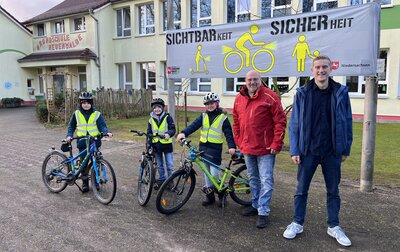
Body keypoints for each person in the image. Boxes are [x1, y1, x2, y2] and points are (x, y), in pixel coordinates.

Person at [283, 55, 353, 247]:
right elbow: (295, 124)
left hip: (332, 151)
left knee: (333, 191)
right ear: (312, 70)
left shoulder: (340, 92)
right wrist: (295, 149)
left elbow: (347, 121)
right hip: (308, 151)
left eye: (324, 67)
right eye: (317, 67)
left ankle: (334, 226)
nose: (321, 70)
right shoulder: (303, 93)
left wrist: (345, 148)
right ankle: (297, 223)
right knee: (301, 190)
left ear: (331, 69)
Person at [233, 70, 287, 228]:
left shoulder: (270, 97)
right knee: (253, 179)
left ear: (260, 80)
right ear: (245, 81)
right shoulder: (239, 98)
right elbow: (236, 121)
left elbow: (280, 122)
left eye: (255, 79)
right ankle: (256, 205)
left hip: (266, 149)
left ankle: (263, 211)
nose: (252, 82)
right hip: (247, 147)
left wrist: (277, 143)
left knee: (266, 180)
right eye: (249, 80)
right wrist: (239, 140)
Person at [176, 92, 236, 207]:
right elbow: (193, 126)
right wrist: (184, 133)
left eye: (212, 103)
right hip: (203, 148)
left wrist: (232, 146)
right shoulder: (203, 116)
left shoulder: (223, 118)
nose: (210, 105)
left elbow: (228, 133)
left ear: (217, 103)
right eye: (207, 104)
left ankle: (222, 195)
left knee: (214, 175)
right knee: (207, 174)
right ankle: (210, 197)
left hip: (215, 150)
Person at [66, 91, 112, 193]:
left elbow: (102, 125)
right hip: (82, 142)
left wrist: (106, 132)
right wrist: (69, 135)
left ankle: (96, 182)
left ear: (91, 103)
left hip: (94, 142)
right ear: (80, 104)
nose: (86, 105)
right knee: (84, 163)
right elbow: (71, 126)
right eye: (83, 103)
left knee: (96, 162)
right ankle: (85, 183)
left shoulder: (97, 114)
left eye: (88, 103)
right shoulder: (76, 114)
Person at [147, 98, 176, 189]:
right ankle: (162, 179)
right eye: (155, 108)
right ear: (153, 109)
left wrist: (168, 134)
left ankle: (170, 180)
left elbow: (172, 129)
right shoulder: (151, 120)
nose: (157, 109)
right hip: (156, 146)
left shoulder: (168, 117)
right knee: (160, 165)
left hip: (167, 146)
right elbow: (149, 133)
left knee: (170, 164)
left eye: (159, 107)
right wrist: (149, 144)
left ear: (162, 108)